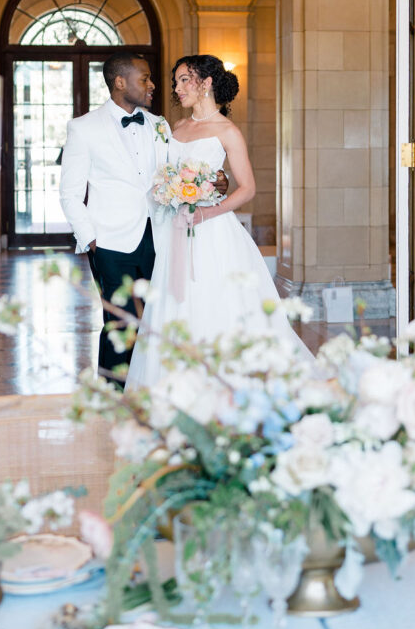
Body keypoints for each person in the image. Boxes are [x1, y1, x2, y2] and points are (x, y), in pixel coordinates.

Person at [126, 54, 312, 391]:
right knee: (176, 305)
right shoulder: (175, 128)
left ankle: (227, 388)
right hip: (175, 232)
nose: (177, 88)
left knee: (215, 303)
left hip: (214, 232)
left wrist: (208, 211)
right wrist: (168, 190)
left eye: (185, 80)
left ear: (207, 82)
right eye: (176, 81)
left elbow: (249, 188)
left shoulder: (228, 131)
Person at [59, 51, 227, 383]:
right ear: (120, 82)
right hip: (111, 241)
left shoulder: (159, 124)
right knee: (120, 323)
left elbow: (181, 172)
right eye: (145, 78)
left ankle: (155, 389)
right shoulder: (83, 128)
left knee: (161, 318)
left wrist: (216, 181)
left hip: (164, 237)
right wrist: (90, 239)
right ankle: (113, 395)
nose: (152, 85)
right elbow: (69, 192)